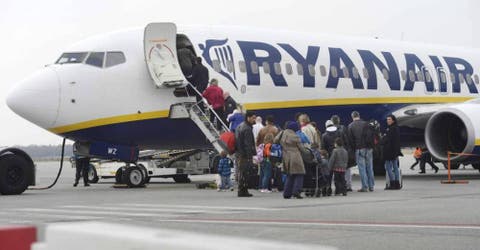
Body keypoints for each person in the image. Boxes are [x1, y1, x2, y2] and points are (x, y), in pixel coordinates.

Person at [275, 121, 306, 199]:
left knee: (290, 175)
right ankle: (296, 191)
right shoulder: (295, 136)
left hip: (286, 156)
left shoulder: (282, 133)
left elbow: (275, 140)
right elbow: (302, 149)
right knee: (300, 173)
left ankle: (287, 193)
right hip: (295, 157)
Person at [347, 111, 375, 192]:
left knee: (362, 169)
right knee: (370, 168)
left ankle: (365, 187)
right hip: (369, 148)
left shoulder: (351, 126)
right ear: (359, 116)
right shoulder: (366, 123)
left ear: (352, 117)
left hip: (359, 149)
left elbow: (350, 140)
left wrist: (354, 149)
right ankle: (371, 186)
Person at [234, 110, 257, 197]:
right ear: (248, 117)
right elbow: (248, 144)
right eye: (253, 118)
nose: (254, 120)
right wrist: (249, 156)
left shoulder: (239, 126)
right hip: (244, 155)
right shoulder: (247, 128)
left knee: (241, 172)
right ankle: (243, 190)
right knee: (245, 173)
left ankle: (241, 190)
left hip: (239, 153)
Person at [331, 115, 353, 192]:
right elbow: (347, 140)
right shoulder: (343, 128)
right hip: (344, 150)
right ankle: (348, 186)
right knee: (347, 169)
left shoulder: (331, 130)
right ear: (339, 121)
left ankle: (338, 187)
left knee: (336, 171)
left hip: (335, 151)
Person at [381, 115, 402, 190]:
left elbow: (385, 140)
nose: (388, 121)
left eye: (389, 119)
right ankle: (397, 184)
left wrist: (382, 139)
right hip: (395, 152)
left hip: (389, 152)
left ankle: (392, 183)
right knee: (395, 167)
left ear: (393, 120)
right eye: (387, 119)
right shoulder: (396, 128)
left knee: (388, 168)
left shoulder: (390, 129)